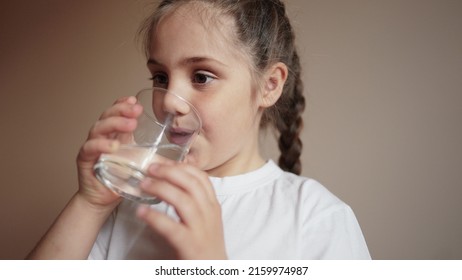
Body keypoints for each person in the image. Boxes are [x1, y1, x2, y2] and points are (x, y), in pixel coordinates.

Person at [27, 0, 370, 260]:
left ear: (269, 85)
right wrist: (89, 204)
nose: (169, 102)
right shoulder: (131, 200)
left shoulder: (318, 219)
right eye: (160, 77)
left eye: (201, 77)